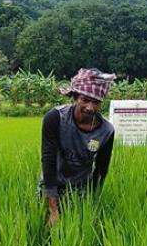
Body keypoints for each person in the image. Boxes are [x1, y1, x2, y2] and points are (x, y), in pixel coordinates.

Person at [39, 68, 116, 227]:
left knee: (75, 230)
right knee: (46, 229)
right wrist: (53, 208)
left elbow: (101, 170)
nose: (90, 107)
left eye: (96, 102)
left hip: (80, 190)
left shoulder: (106, 131)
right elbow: (48, 160)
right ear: (75, 97)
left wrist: (90, 202)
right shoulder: (55, 118)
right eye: (85, 100)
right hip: (52, 184)